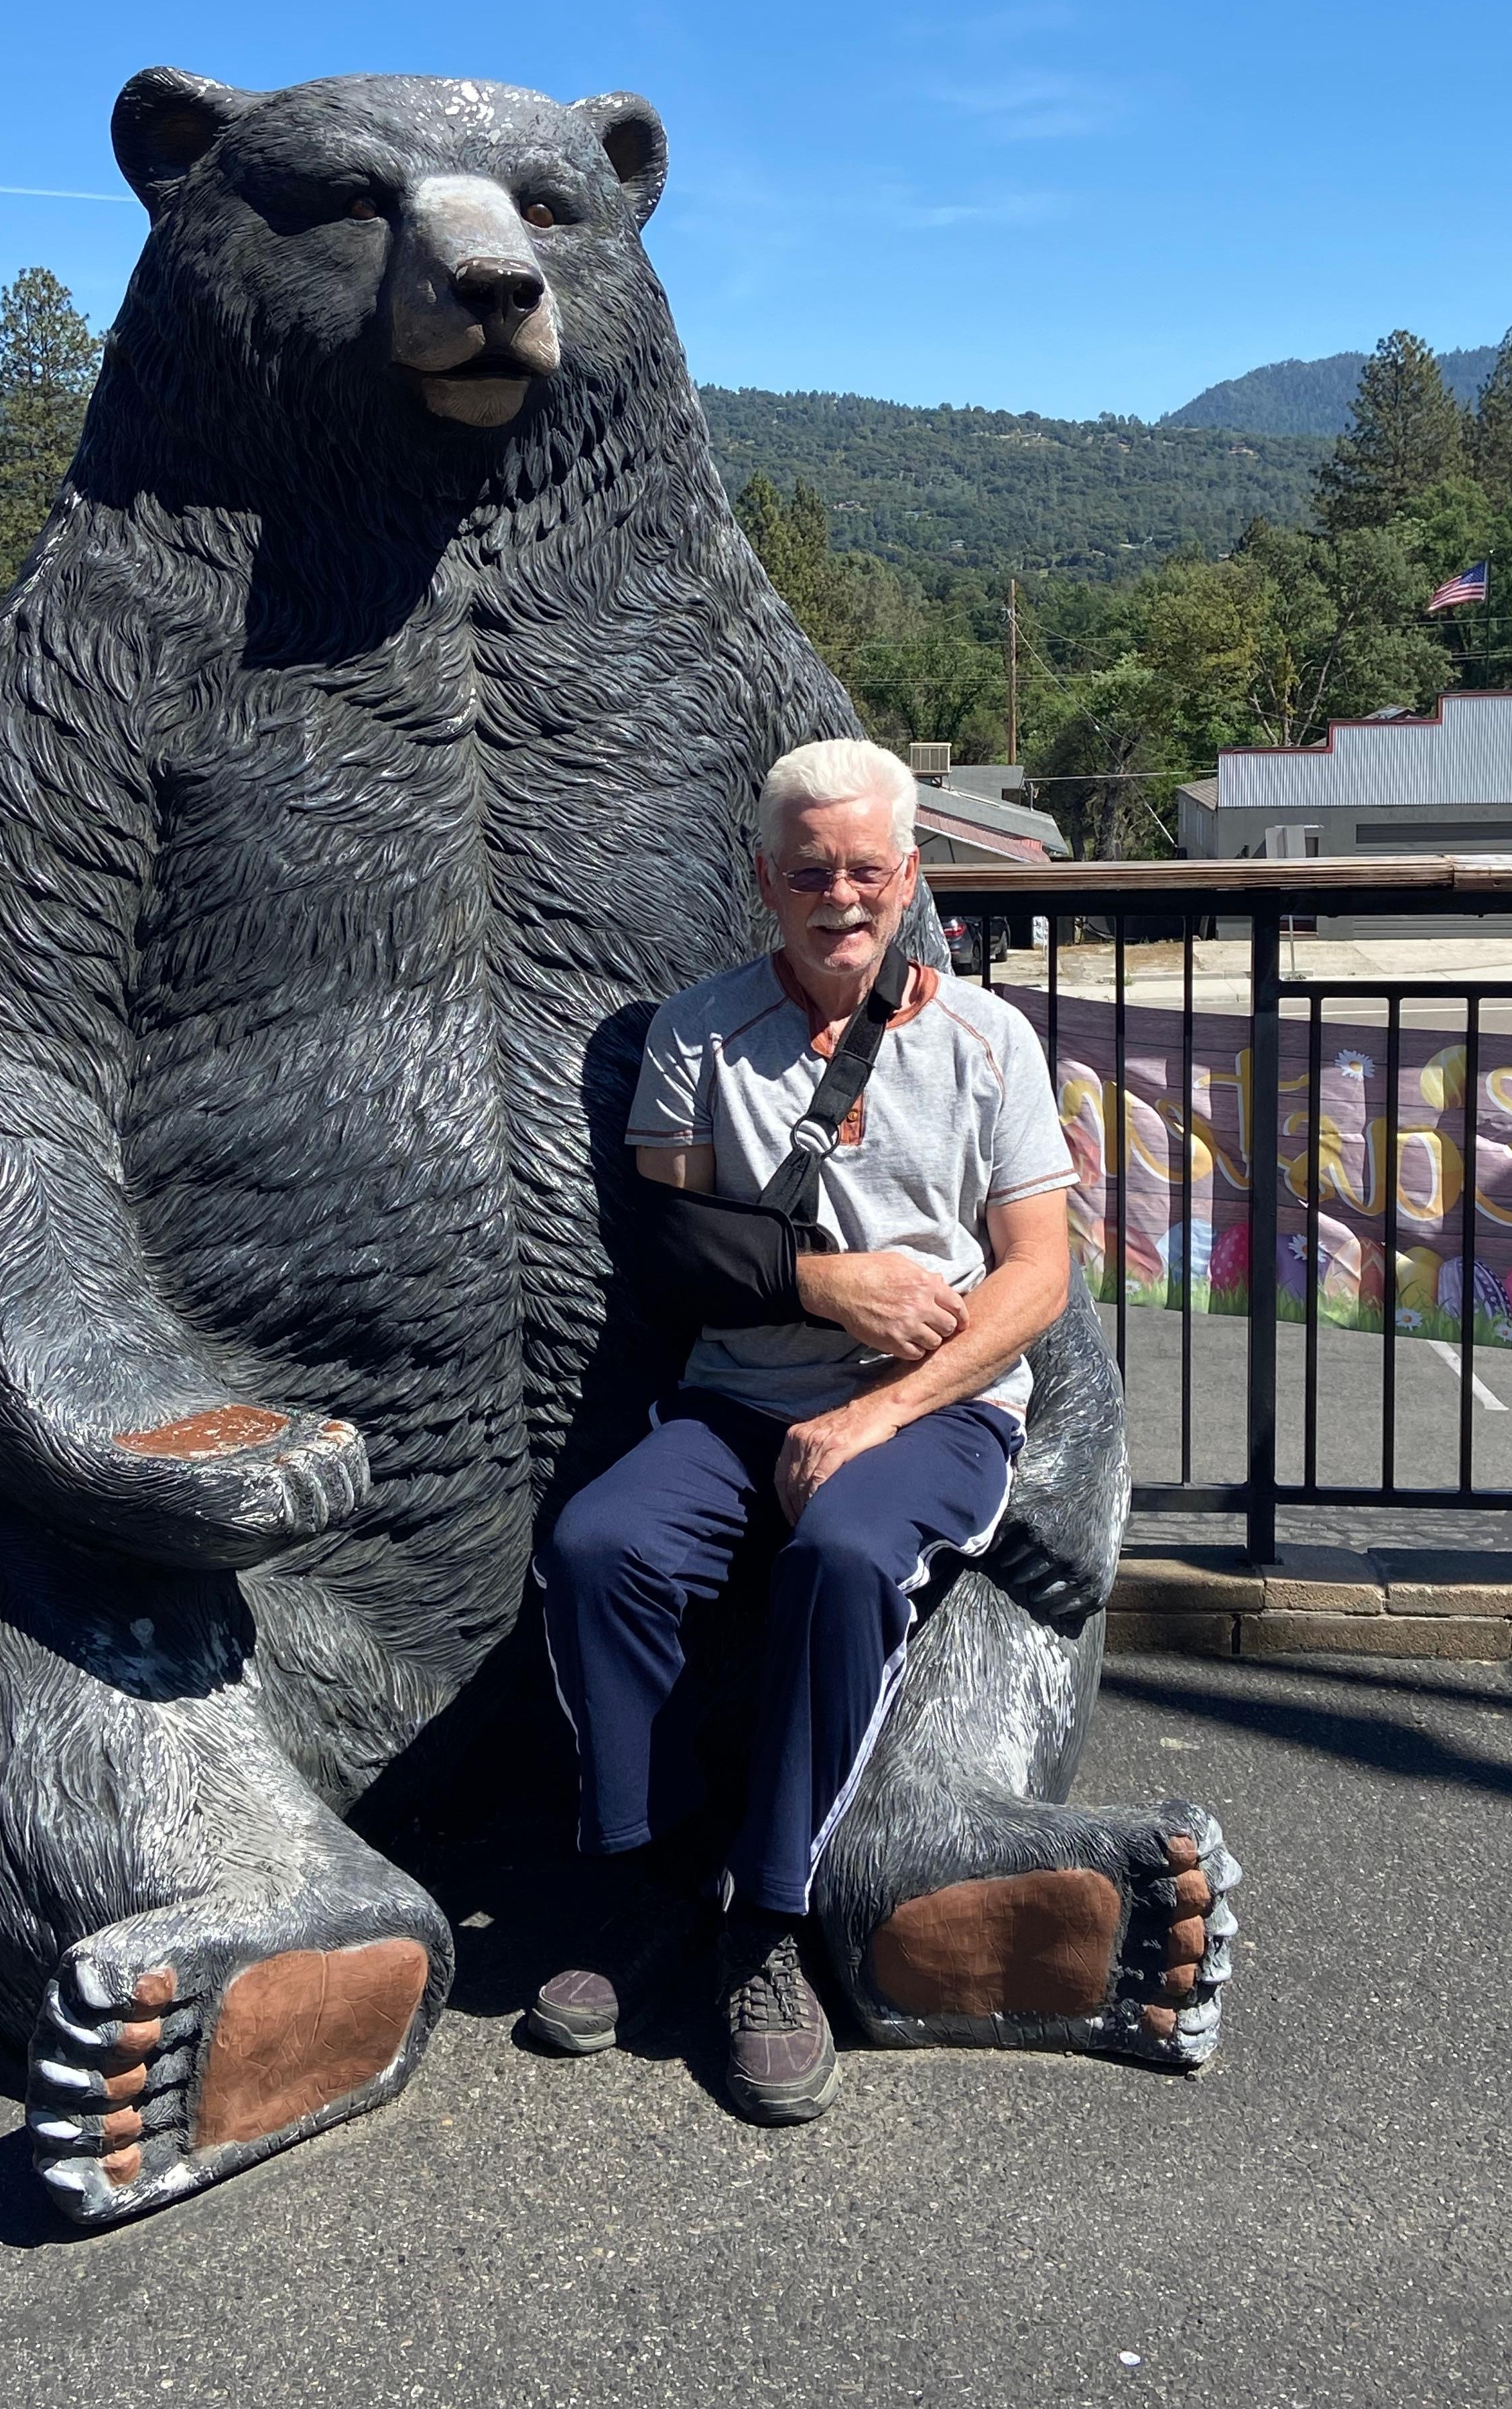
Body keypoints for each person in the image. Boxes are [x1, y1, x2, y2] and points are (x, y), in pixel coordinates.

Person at [530, 738, 1076, 2124]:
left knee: (841, 1555)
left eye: (870, 869)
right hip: (738, 1397)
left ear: (911, 878)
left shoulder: (988, 1042)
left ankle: (770, 1923)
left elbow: (1037, 1278)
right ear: (763, 879)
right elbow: (664, 1246)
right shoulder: (699, 1032)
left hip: (935, 1413)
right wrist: (829, 1285)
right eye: (812, 871)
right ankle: (641, 1882)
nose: (843, 895)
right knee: (600, 1546)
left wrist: (882, 1408)